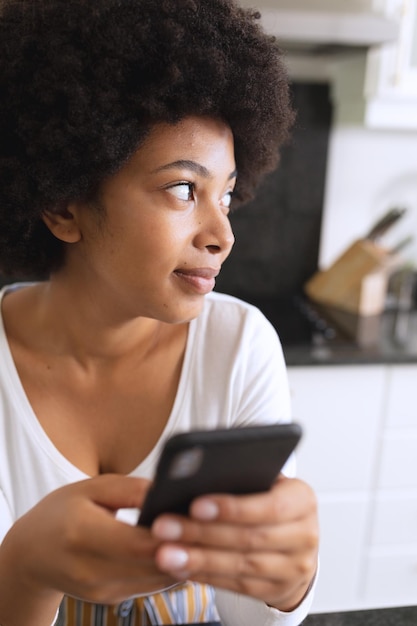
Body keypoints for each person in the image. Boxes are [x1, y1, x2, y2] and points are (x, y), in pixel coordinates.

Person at [0, 1, 319, 625]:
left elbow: (252, 618)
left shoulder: (239, 344)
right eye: (182, 189)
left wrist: (289, 584)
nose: (222, 234)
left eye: (227, 195)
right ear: (64, 206)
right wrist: (24, 568)